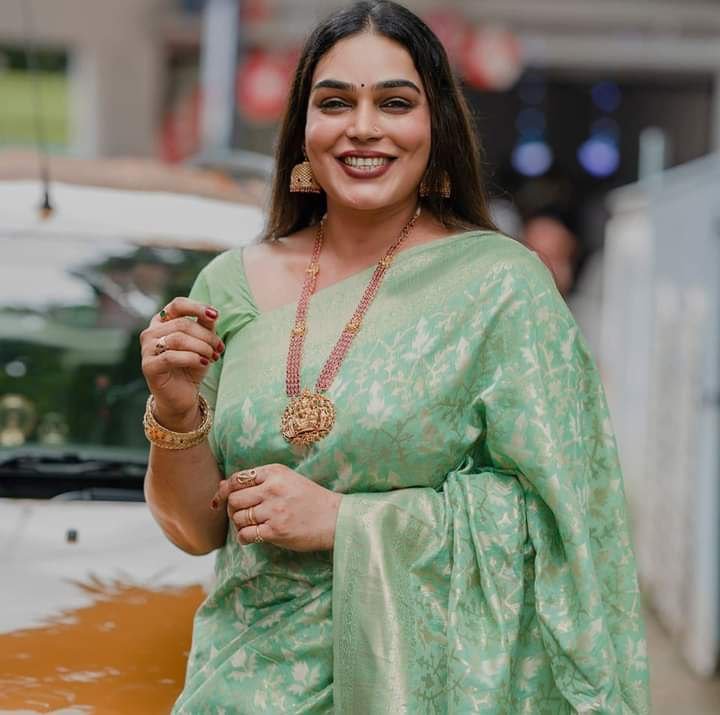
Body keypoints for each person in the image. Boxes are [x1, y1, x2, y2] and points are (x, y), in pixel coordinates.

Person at [140, 2, 650, 712]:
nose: (362, 127)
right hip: (240, 687)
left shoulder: (500, 288)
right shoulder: (229, 285)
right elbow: (196, 531)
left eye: (395, 102)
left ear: (436, 125)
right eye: (335, 103)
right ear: (303, 126)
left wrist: (344, 523)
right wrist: (174, 408)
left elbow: (567, 527)